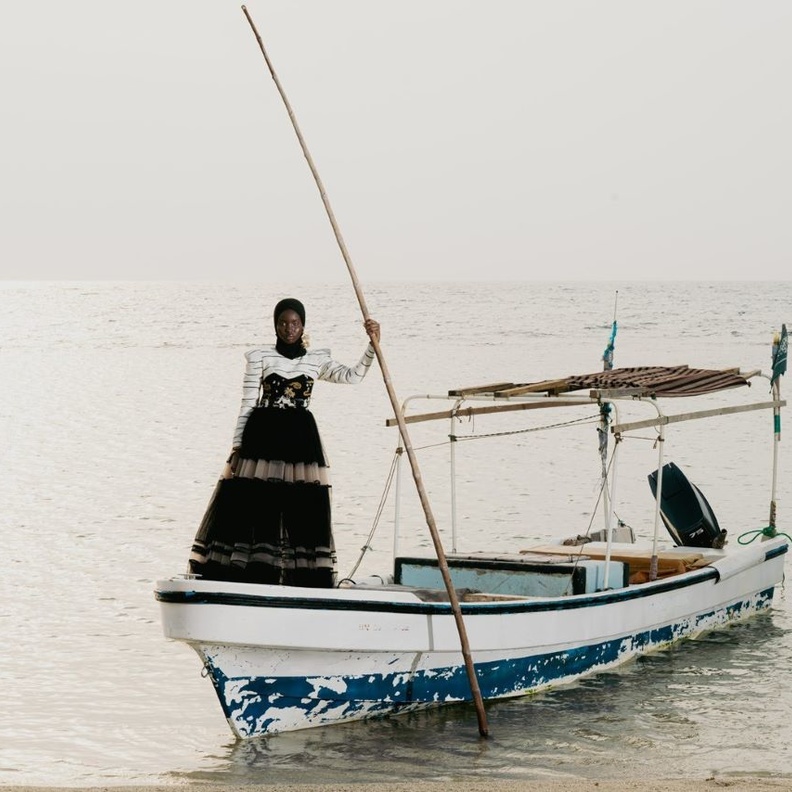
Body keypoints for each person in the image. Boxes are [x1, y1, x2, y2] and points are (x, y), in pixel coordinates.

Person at [189, 298, 380, 587]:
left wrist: (372, 345)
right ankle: (250, 576)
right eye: (283, 323)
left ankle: (297, 581)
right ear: (275, 325)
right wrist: (237, 445)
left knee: (301, 507)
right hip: (262, 438)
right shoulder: (260, 357)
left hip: (300, 443)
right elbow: (246, 403)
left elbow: (352, 377)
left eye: (295, 323)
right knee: (255, 506)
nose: (289, 329)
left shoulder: (317, 360)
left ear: (303, 325)